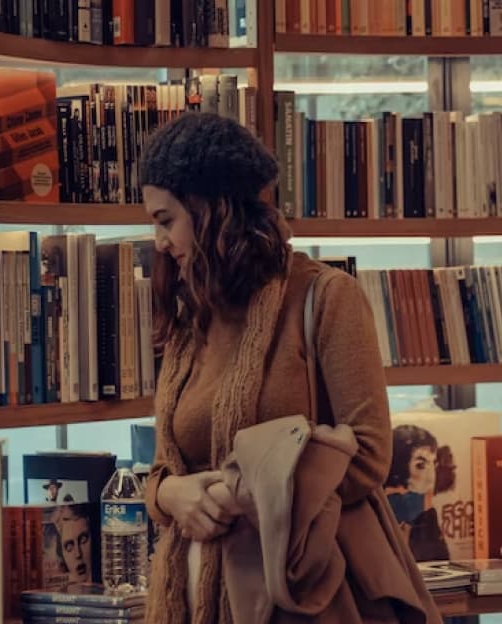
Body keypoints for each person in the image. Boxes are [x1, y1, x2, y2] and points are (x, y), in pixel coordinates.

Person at [140, 112, 442, 623]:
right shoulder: (193, 315)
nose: (160, 242)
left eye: (166, 219)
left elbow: (368, 456)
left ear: (212, 208)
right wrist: (170, 495)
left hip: (301, 597)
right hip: (191, 601)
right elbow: (165, 469)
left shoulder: (325, 297)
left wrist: (232, 495)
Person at [385, 424, 455, 561]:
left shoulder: (426, 513)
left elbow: (439, 561)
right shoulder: (387, 508)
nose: (431, 477)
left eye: (433, 464)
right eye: (420, 465)